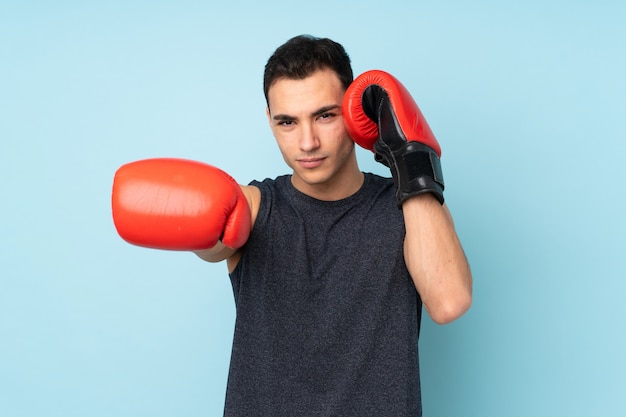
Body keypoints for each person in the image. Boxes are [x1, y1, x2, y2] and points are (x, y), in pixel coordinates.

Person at [112, 34, 472, 417]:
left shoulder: (407, 206)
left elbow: (449, 302)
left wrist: (410, 160)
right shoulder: (252, 205)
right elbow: (213, 242)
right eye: (287, 122)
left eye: (325, 115)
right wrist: (203, 228)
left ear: (353, 112)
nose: (307, 142)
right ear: (269, 121)